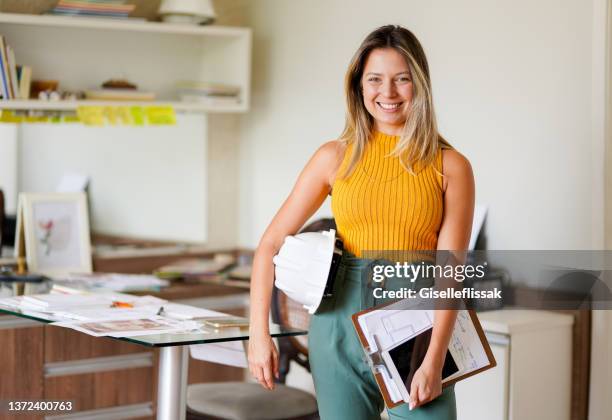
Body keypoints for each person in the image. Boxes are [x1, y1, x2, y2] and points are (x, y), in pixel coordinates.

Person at [248, 24, 474, 420]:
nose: (387, 93)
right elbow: (269, 245)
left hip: (415, 325)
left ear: (418, 85)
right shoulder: (333, 157)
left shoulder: (450, 165)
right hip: (337, 324)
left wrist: (435, 358)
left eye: (401, 80)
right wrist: (257, 335)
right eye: (375, 79)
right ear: (358, 86)